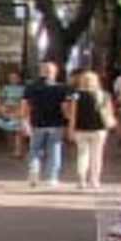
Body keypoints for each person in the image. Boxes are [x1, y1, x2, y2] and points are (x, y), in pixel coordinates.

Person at [22, 59, 75, 188]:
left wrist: (25, 121)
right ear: (55, 73)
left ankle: (34, 171)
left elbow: (25, 105)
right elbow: (64, 107)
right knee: (54, 150)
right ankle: (52, 178)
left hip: (37, 122)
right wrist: (69, 121)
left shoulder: (31, 87)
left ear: (41, 72)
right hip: (56, 123)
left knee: (35, 149)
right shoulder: (61, 88)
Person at [70, 69, 114, 190]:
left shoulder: (76, 95)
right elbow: (109, 112)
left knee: (82, 154)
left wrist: (71, 129)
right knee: (97, 155)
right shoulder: (104, 94)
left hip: (81, 128)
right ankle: (95, 180)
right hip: (99, 129)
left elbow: (73, 114)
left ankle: (81, 180)